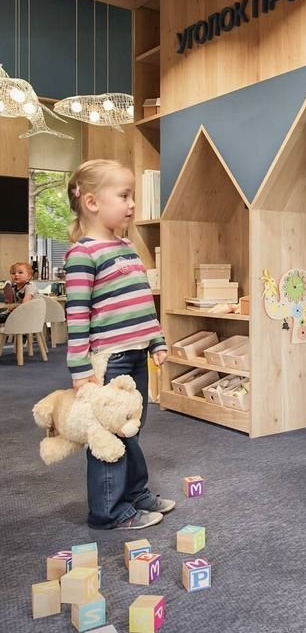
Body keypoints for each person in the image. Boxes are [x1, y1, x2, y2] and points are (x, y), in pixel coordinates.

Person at [65, 158, 173, 531]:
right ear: (92, 202)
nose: (132, 204)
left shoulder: (126, 246)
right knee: (108, 435)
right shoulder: (83, 254)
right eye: (124, 196)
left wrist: (156, 340)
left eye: (132, 196)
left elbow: (142, 301)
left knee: (131, 429)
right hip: (110, 361)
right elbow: (77, 316)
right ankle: (108, 512)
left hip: (137, 355)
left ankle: (135, 494)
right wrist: (80, 370)